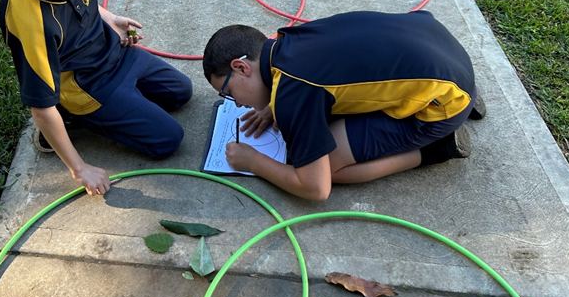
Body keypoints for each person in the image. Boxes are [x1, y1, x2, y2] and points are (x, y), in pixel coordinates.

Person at [0, 0, 192, 196]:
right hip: (89, 86)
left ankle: (124, 105)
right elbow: (40, 107)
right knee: (168, 140)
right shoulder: (31, 22)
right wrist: (80, 169)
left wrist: (109, 18)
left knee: (181, 92)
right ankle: (75, 117)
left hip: (116, 53)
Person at [203, 11, 485, 201]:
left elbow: (316, 188)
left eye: (229, 92)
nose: (237, 103)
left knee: (327, 168)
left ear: (240, 67)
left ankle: (438, 147)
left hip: (444, 103)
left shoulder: (294, 94)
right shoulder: (288, 40)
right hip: (442, 47)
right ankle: (458, 90)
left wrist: (254, 162)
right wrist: (273, 105)